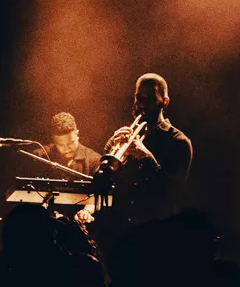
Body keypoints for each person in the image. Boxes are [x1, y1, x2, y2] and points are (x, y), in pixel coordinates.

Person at [97, 73, 193, 230]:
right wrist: (113, 150)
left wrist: (147, 158)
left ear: (165, 102)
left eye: (150, 99)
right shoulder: (120, 139)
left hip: (157, 230)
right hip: (121, 230)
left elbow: (173, 191)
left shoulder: (179, 142)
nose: (142, 105)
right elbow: (100, 184)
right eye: (139, 98)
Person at [38, 112, 102, 177]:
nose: (66, 149)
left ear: (77, 134)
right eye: (61, 145)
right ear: (53, 140)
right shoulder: (41, 157)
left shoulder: (94, 160)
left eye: (71, 143)